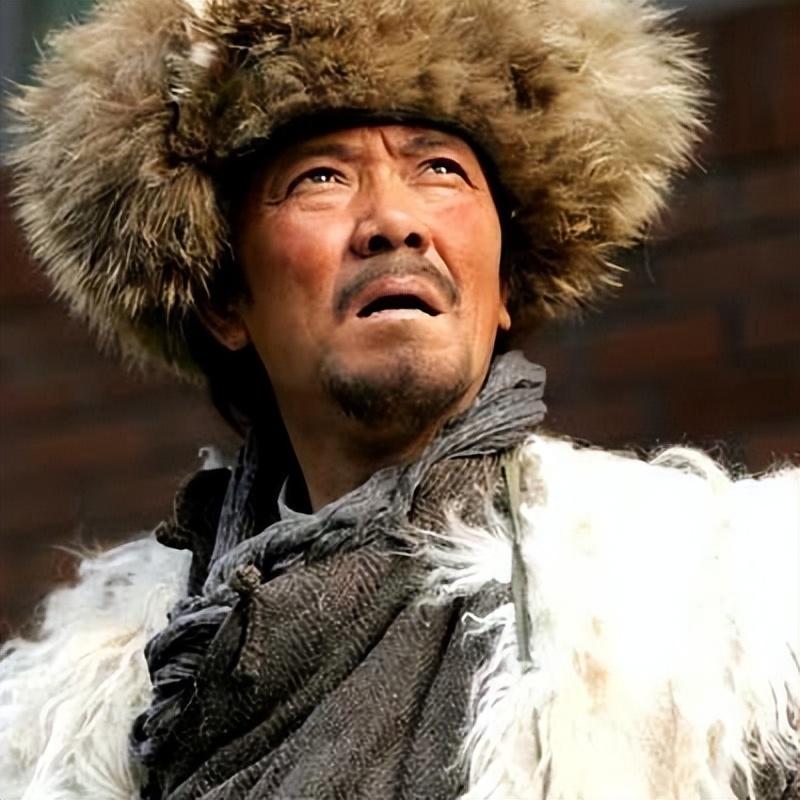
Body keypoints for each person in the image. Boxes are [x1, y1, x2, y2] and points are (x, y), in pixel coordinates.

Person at [0, 0, 797, 798]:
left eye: (440, 169)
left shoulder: (719, 617)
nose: (393, 221)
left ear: (505, 281)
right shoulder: (80, 720)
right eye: (321, 177)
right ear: (224, 301)